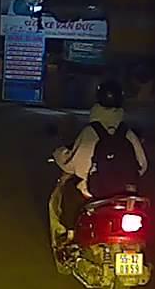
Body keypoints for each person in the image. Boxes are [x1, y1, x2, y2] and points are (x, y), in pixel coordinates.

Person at [51, 80, 149, 236]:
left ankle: (69, 235)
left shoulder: (91, 132)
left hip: (95, 194)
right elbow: (142, 166)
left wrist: (58, 154)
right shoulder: (128, 133)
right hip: (126, 196)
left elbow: (75, 165)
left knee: (68, 190)